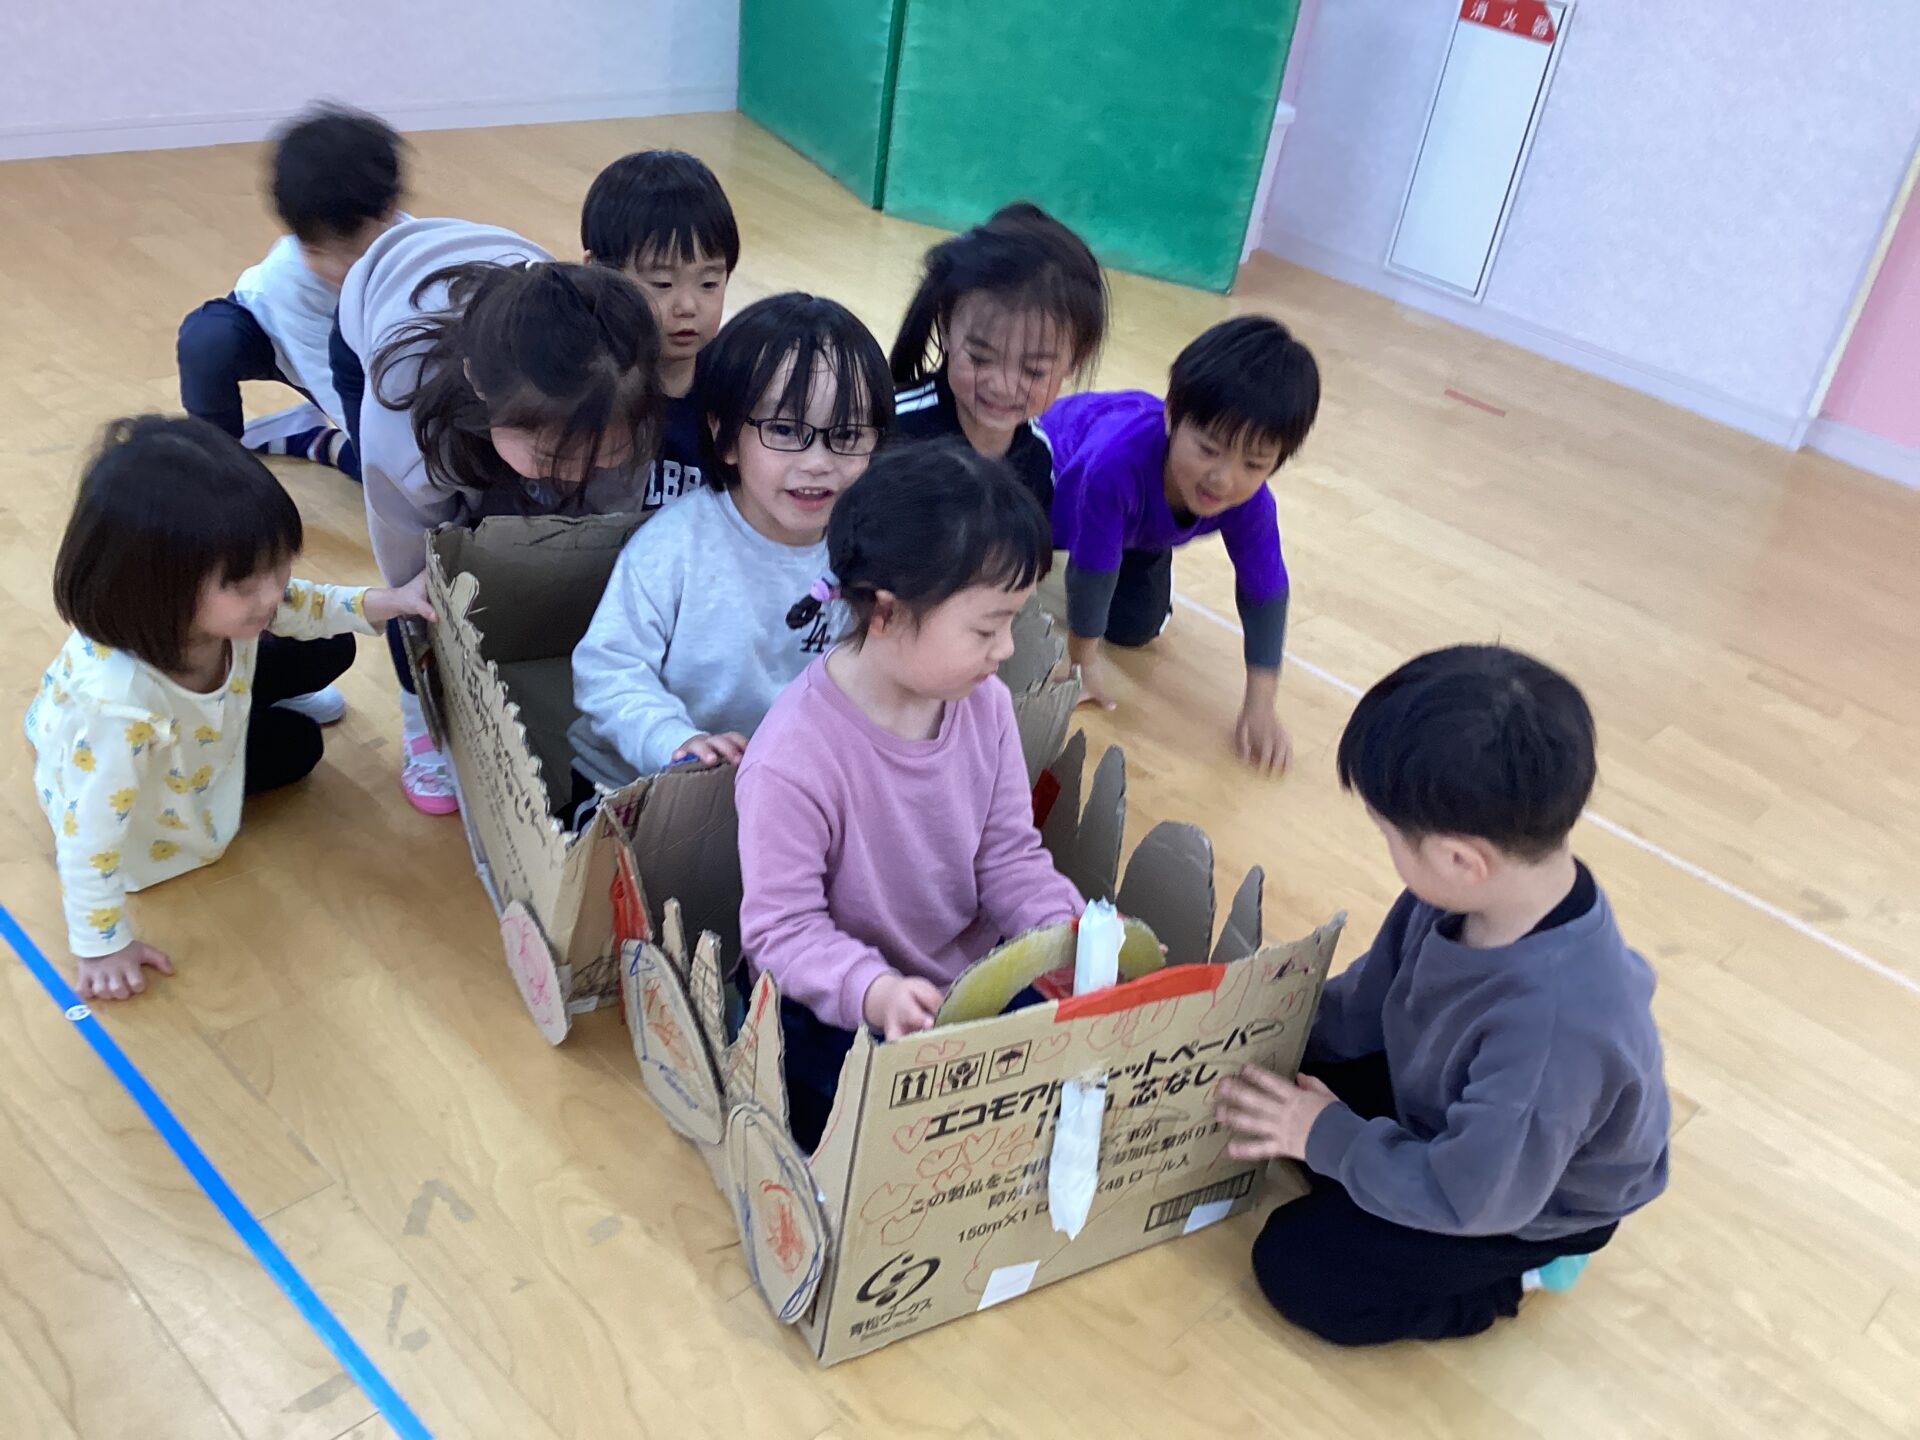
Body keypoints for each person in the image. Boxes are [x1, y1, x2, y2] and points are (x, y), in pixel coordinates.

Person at [1214, 645, 1671, 1346]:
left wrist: (1323, 1135)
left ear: (1461, 859)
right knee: (1280, 1069)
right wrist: (1258, 1029)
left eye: (1389, 835)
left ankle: (1519, 1278)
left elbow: (1468, 1195)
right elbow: (1363, 1005)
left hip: (1517, 1200)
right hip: (1458, 1114)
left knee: (1299, 1266)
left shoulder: (1555, 1030)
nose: (1388, 848)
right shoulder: (1462, 895)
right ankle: (1360, 1154)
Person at [736, 443, 1085, 1149]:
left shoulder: (984, 703)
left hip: (964, 986)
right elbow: (781, 933)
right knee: (858, 1120)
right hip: (839, 1003)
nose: (1006, 649)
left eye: (1012, 622)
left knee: (1062, 1065)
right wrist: (875, 991)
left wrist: (1074, 935)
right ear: (887, 614)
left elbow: (1009, 858)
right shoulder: (792, 759)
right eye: (986, 628)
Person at [25, 417, 436, 1002]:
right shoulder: (118, 712)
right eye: (244, 584)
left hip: (197, 726)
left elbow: (302, 603)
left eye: (278, 565)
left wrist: (390, 601)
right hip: (155, 802)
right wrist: (101, 944)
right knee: (300, 746)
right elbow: (87, 840)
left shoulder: (207, 613)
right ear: (156, 588)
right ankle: (244, 710)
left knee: (332, 640)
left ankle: (246, 700)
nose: (271, 592)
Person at [332, 216, 664, 812]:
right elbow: (409, 571)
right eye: (553, 459)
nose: (575, 476)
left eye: (601, 455)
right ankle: (419, 720)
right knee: (426, 586)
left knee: (539, 504)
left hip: (524, 344)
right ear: (482, 395)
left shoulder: (622, 390)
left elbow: (606, 533)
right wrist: (425, 610)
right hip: (377, 318)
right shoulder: (401, 417)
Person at [570, 293, 892, 789]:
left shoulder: (872, 552)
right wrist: (676, 740)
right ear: (724, 436)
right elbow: (607, 669)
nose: (818, 462)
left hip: (782, 789)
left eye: (847, 435)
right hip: (637, 783)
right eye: (785, 429)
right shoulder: (674, 547)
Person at [1041, 314, 1319, 773]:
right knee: (1006, 568)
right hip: (1053, 483)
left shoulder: (1250, 501)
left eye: (1254, 464)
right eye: (1208, 449)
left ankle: (1138, 543)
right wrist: (1081, 661)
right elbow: (1090, 571)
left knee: (1135, 628)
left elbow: (1265, 591)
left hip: (1136, 528)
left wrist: (1261, 703)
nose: (1223, 479)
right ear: (1171, 415)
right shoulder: (1113, 466)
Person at [176, 104, 404, 487]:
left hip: (360, 356)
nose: (335, 268)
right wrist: (385, 458)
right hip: (274, 338)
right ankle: (218, 464)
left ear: (389, 213)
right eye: (314, 250)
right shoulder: (290, 278)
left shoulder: (417, 252)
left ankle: (314, 440)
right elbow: (333, 384)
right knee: (207, 340)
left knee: (405, 467)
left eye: (351, 250)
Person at [889, 201, 1107, 515]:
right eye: (980, 359)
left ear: (1074, 361)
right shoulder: (893, 429)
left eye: (1033, 371)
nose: (1002, 387)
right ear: (946, 328)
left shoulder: (1037, 456)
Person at [582, 149, 740, 508]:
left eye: (709, 283)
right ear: (596, 273)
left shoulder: (735, 388)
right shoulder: (577, 387)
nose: (687, 306)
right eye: (662, 283)